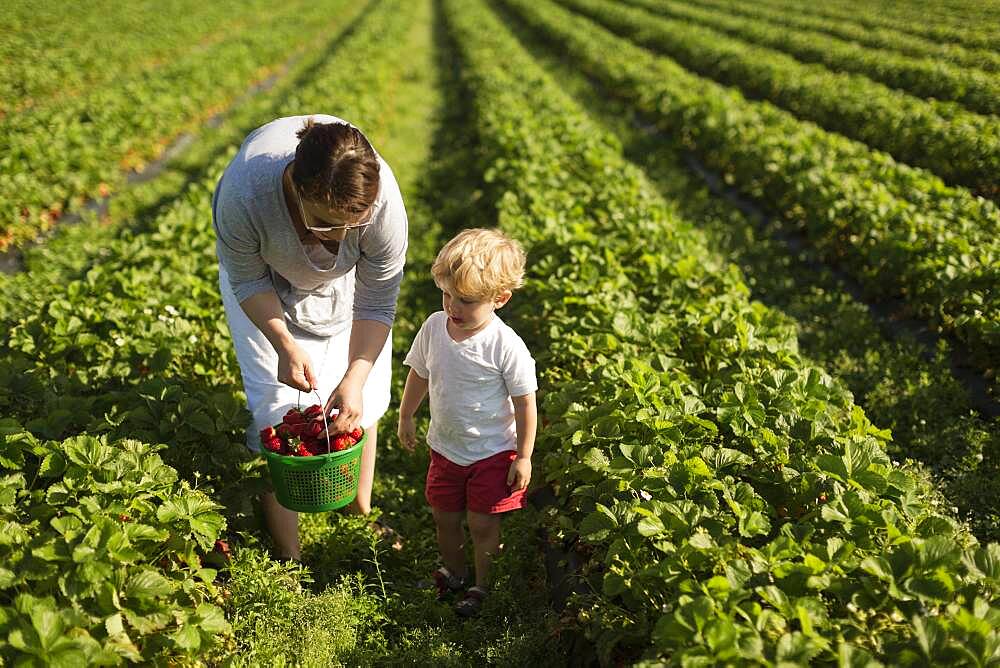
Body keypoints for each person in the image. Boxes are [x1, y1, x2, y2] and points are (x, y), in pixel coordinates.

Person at [212, 115, 407, 561]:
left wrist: (355, 377)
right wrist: (283, 342)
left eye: (350, 227)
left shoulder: (381, 207)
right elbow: (246, 280)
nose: (340, 237)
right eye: (325, 223)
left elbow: (376, 304)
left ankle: (360, 510)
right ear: (299, 190)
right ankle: (289, 554)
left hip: (344, 284)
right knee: (276, 405)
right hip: (263, 281)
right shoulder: (245, 194)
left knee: (365, 397)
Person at [397, 228, 538, 618]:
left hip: (492, 452)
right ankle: (454, 572)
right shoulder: (433, 327)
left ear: (500, 299)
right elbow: (420, 373)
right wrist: (407, 414)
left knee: (481, 524)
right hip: (445, 447)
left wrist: (523, 457)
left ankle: (481, 584)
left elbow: (525, 403)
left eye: (466, 300)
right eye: (447, 295)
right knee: (444, 516)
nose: (453, 307)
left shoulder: (505, 346)